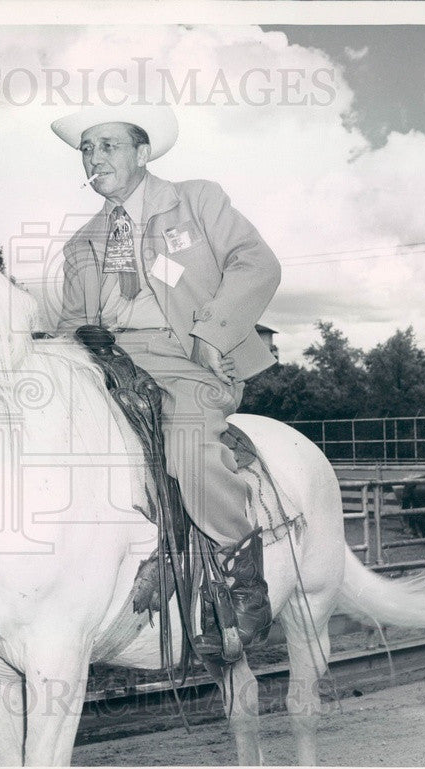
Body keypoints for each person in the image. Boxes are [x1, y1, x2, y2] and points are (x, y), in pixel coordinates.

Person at [51, 102, 281, 655]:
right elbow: (69, 324)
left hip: (187, 354)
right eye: (87, 148)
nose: (93, 158)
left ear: (142, 152)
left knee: (188, 446)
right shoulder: (81, 242)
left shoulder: (196, 200)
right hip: (105, 359)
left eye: (107, 145)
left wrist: (213, 334)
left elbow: (258, 264)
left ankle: (237, 575)